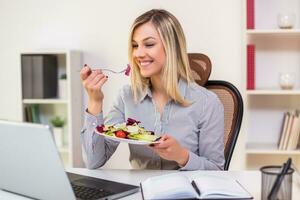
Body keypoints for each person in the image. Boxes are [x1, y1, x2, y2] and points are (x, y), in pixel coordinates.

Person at [80, 9, 224, 170]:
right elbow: (94, 161)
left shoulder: (207, 103)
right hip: (140, 192)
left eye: (149, 44)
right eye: (135, 46)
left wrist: (182, 156)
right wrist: (95, 101)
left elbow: (217, 171)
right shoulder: (126, 96)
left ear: (172, 48)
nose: (138, 53)